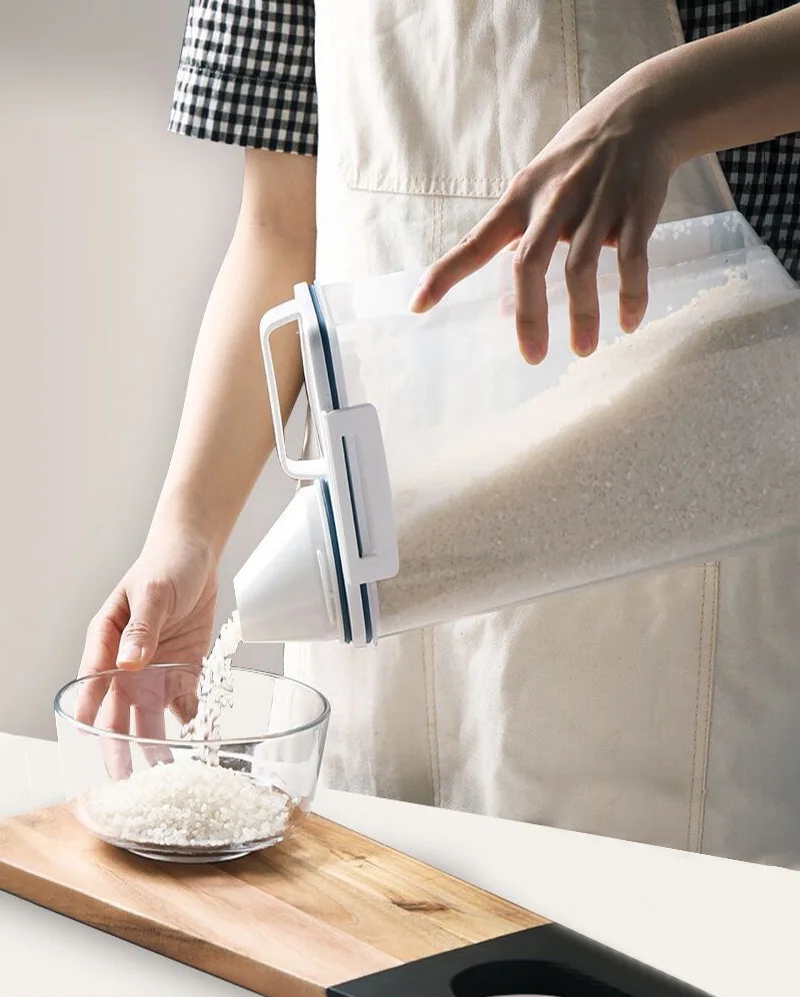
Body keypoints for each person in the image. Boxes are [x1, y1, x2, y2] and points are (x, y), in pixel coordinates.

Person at [78, 1, 800, 865]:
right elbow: (279, 228)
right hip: (378, 593)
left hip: (677, 578)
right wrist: (186, 533)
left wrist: (661, 109)